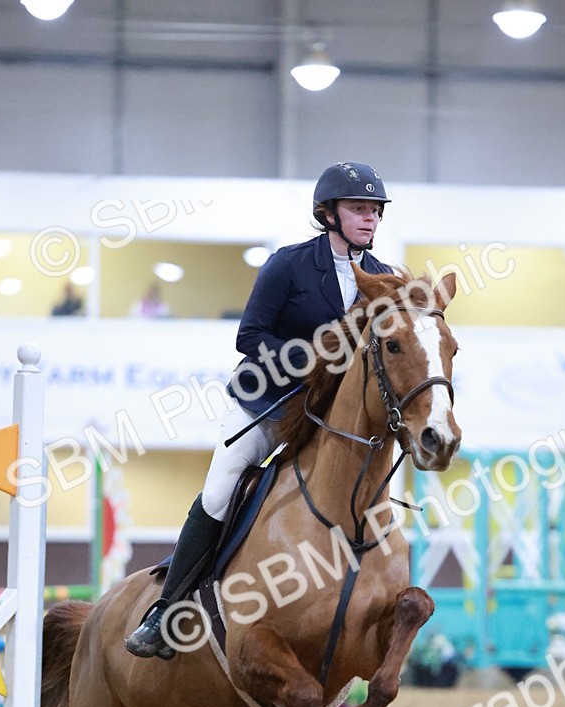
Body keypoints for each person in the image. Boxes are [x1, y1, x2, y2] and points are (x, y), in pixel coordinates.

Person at [126, 161, 393, 658]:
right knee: (221, 488)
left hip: (330, 423)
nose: (370, 218)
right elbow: (249, 336)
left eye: (375, 211)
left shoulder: (382, 277)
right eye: (359, 209)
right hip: (268, 405)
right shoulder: (289, 265)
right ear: (328, 214)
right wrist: (311, 356)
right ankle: (168, 609)